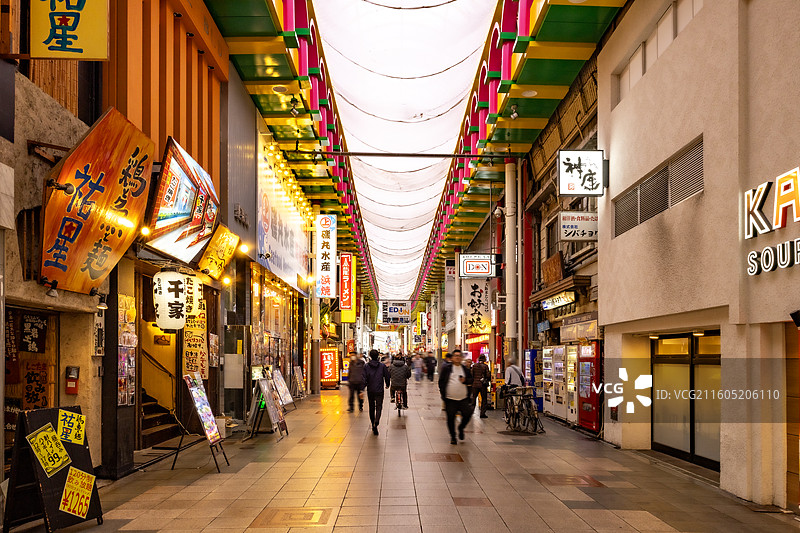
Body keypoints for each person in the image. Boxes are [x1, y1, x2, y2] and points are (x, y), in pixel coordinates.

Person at [438, 349, 473, 445]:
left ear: (461, 358)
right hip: (450, 399)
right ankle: (453, 436)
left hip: (463, 399)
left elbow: (471, 380)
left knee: (468, 414)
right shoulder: (447, 369)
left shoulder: (465, 369)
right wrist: (443, 394)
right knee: (450, 418)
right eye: (455, 355)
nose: (457, 357)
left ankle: (461, 428)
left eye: (459, 355)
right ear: (452, 358)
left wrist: (465, 380)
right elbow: (441, 381)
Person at [363, 349, 391, 435]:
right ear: (378, 356)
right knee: (379, 407)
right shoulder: (382, 366)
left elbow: (364, 377)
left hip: (370, 390)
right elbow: (387, 376)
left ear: (370, 356)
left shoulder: (366, 366)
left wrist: (364, 386)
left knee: (371, 407)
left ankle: (373, 424)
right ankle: (377, 421)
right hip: (379, 390)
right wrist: (387, 384)